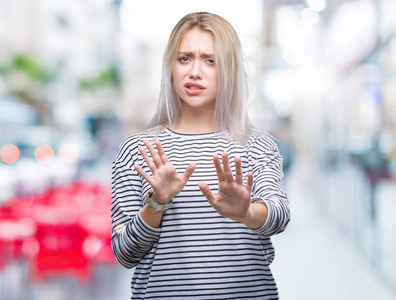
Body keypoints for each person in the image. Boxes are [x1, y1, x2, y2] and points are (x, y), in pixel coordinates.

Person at [111, 12, 290, 300]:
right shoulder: (138, 149)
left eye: (210, 60)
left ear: (229, 69)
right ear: (170, 66)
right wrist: (156, 203)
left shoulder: (257, 145)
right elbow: (124, 253)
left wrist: (246, 212)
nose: (195, 71)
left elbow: (279, 217)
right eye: (184, 58)